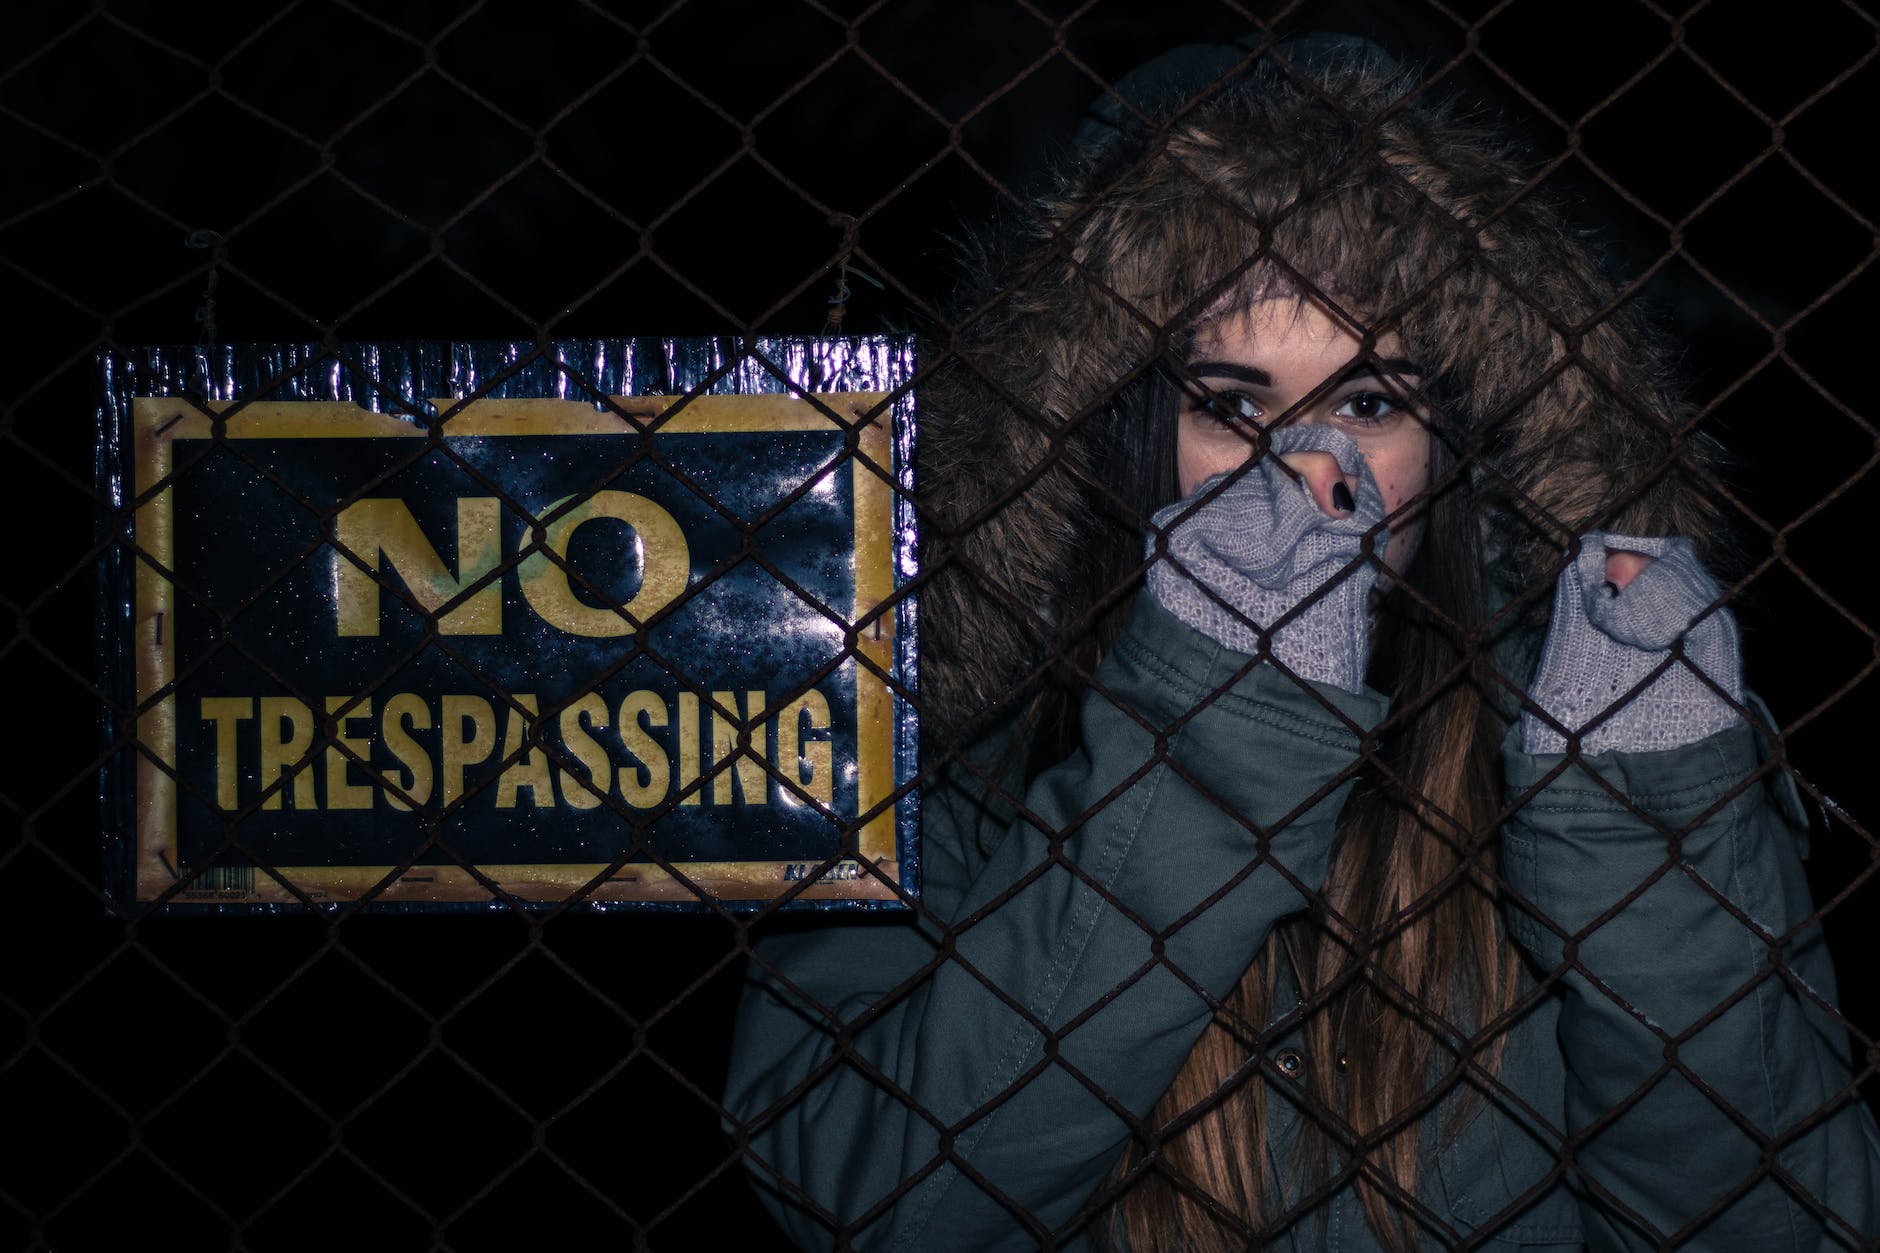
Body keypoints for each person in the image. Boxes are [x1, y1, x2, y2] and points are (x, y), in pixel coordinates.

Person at [723, 37, 1880, 1251]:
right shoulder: (951, 752)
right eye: (1234, 406)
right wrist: (1207, 737)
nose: (1311, 472)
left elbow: (1780, 1225)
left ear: (1456, 442)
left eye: (1367, 404)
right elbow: (879, 1202)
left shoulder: (1600, 726)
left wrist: (1637, 832)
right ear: (1110, 432)